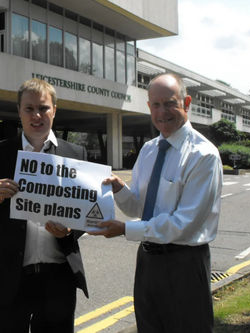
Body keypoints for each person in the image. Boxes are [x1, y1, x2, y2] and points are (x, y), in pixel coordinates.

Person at [89, 73, 223, 332]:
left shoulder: (203, 155)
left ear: (186, 102)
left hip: (184, 262)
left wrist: (125, 230)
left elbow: (183, 224)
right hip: (148, 261)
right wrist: (119, 189)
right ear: (149, 107)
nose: (163, 112)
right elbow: (139, 207)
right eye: (156, 105)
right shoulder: (149, 150)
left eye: (170, 103)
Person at [0, 78, 88, 333]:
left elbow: (86, 213)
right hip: (11, 280)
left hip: (58, 279)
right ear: (19, 112)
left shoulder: (76, 154)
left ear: (54, 110)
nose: (37, 115)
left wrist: (69, 231)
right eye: (29, 108)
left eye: (43, 108)